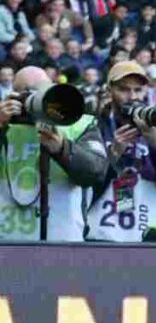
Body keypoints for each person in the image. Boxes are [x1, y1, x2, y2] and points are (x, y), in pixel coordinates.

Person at [0, 66, 106, 240]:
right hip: (6, 246)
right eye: (26, 93)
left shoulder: (78, 124)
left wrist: (63, 149)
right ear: (13, 96)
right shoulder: (5, 125)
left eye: (41, 92)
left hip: (63, 245)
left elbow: (95, 172)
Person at [86, 61, 156, 242]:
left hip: (148, 234)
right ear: (110, 91)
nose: (132, 96)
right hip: (100, 234)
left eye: (138, 90)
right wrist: (113, 154)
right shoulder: (95, 126)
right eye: (124, 89)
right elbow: (84, 183)